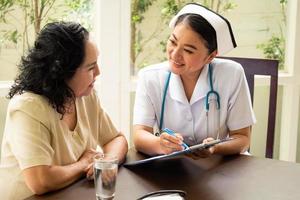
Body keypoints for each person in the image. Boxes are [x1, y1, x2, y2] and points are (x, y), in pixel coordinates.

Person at [0, 21, 128, 199]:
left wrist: (107, 161)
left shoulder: (85, 96)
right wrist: (84, 164)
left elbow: (116, 139)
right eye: (91, 67)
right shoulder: (27, 108)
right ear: (62, 71)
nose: (98, 72)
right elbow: (40, 180)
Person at [133, 3, 256, 158]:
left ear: (211, 56)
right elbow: (140, 135)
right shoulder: (150, 77)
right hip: (173, 168)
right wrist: (160, 144)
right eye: (173, 42)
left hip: (220, 168)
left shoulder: (232, 74)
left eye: (188, 50)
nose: (175, 54)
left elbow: (242, 138)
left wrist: (215, 148)